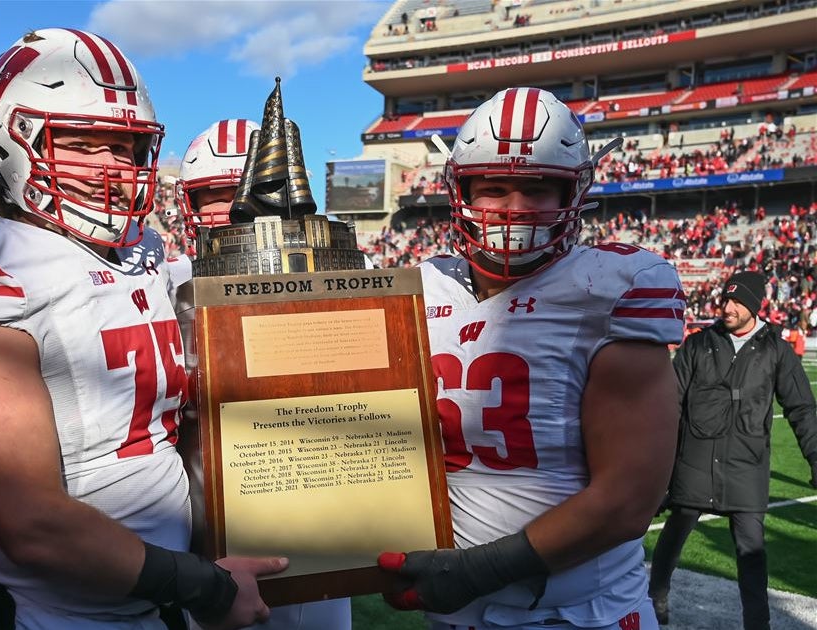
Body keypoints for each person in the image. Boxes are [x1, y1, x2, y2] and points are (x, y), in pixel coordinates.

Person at [0, 29, 283, 630]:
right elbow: (32, 522)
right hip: (48, 614)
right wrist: (204, 588)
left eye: (126, 146)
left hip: (154, 599)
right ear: (12, 140)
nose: (113, 168)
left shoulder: (144, 255)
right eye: (81, 143)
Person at [376, 87, 684, 629]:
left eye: (539, 189)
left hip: (581, 614)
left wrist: (480, 570)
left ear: (576, 191)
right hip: (453, 613)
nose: (514, 209)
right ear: (460, 189)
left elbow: (629, 499)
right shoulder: (419, 287)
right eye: (493, 187)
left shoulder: (610, 286)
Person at [175, 119, 352, 630]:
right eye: (212, 195)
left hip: (308, 536)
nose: (231, 210)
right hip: (199, 545)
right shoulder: (160, 290)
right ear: (188, 204)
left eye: (243, 194)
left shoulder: (335, 290)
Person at [649, 271, 817, 629]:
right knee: (674, 536)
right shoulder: (698, 344)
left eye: (736, 301)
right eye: (724, 300)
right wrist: (658, 469)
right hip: (693, 465)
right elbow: (669, 406)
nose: (726, 308)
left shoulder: (776, 350)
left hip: (746, 467)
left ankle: (758, 624)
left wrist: (816, 457)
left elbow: (802, 408)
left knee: (751, 553)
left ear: (755, 305)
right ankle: (656, 596)